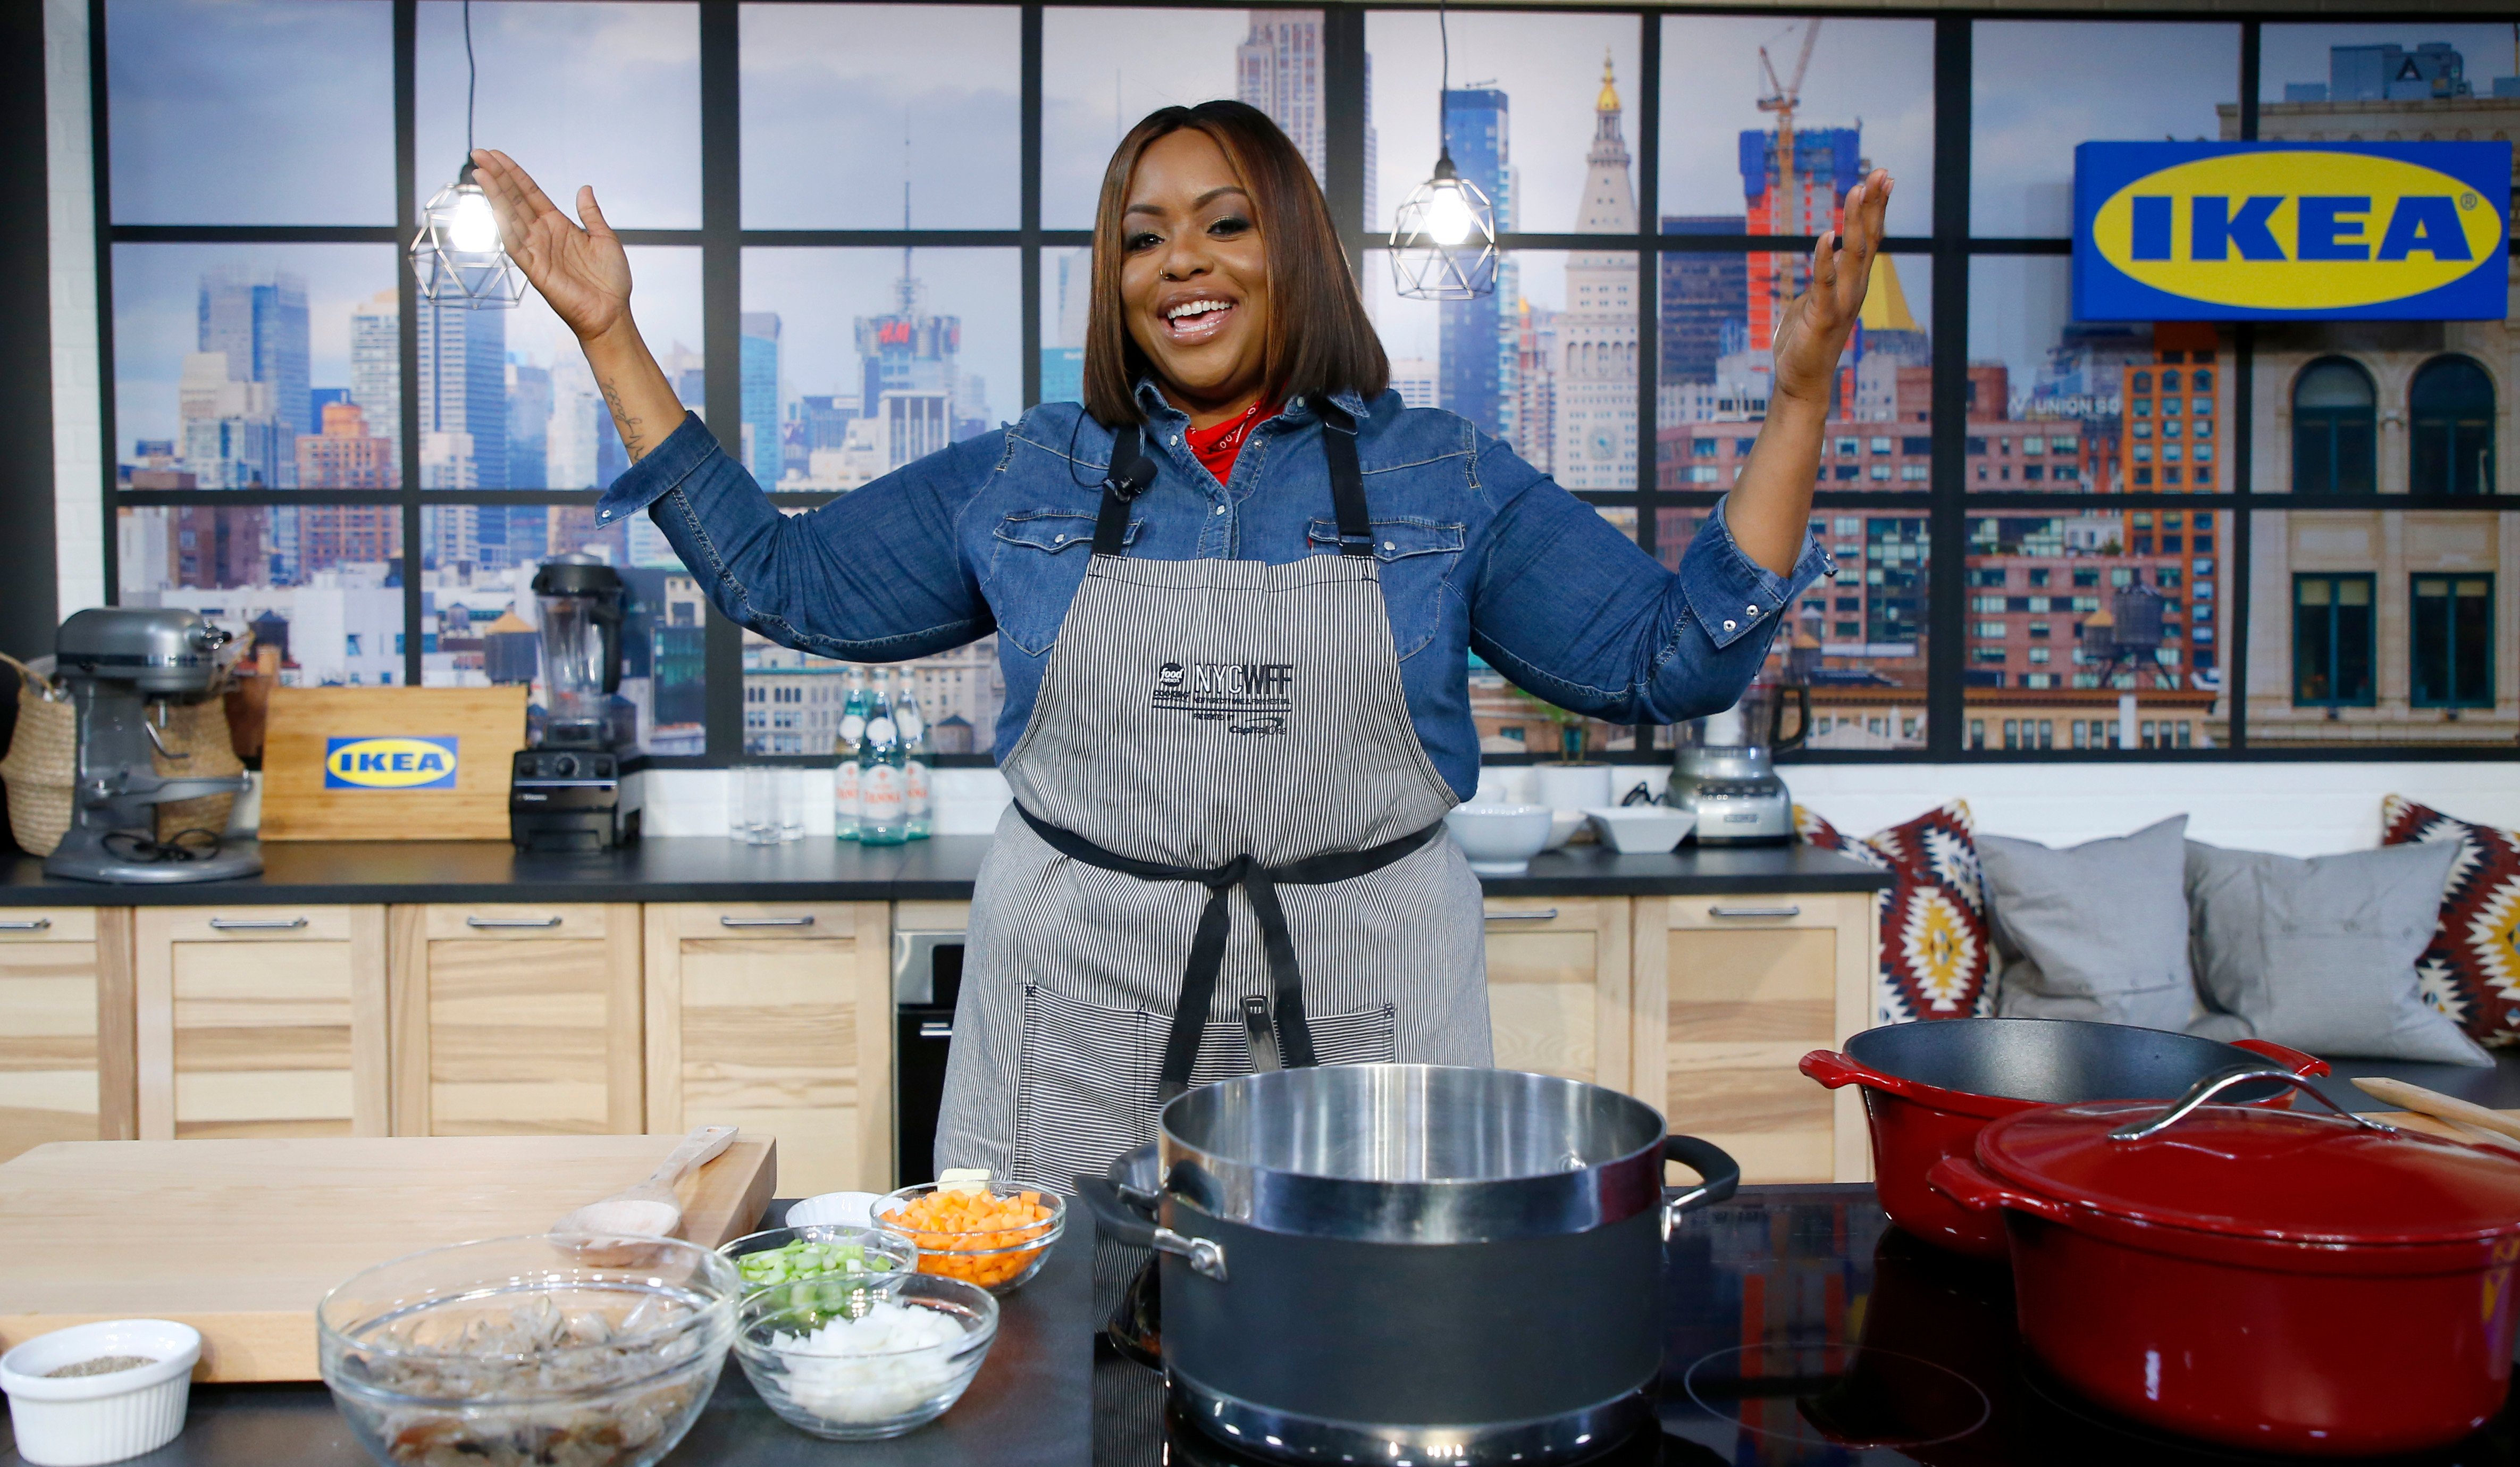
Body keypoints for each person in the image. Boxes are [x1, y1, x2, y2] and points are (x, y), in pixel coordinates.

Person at [473, 100, 1887, 1190]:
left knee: (1366, 1376)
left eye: (1223, 223)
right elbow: (788, 582)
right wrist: (613, 338)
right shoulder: (1026, 471)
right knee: (1045, 1400)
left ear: (1296, 250)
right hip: (1070, 998)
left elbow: (1675, 660)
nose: (1179, 264)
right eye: (1142, 237)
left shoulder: (1437, 476)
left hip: (1367, 1006)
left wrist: (1798, 404)